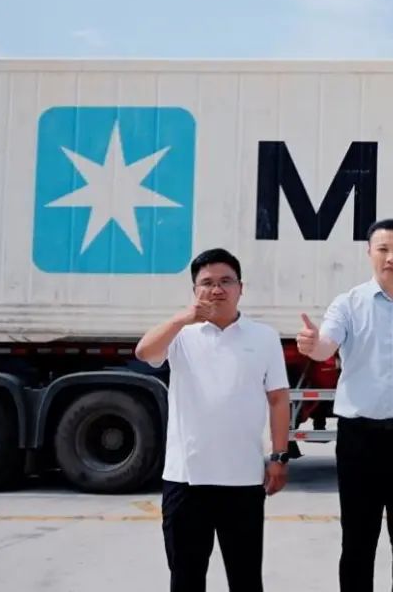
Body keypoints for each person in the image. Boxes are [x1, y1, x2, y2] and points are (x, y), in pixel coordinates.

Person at [296, 218, 393, 592]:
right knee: (357, 541)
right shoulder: (348, 304)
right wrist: (312, 345)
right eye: (383, 249)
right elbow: (326, 345)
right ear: (369, 253)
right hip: (359, 440)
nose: (391, 257)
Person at [135, 248, 291, 592]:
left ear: (240, 288)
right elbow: (144, 352)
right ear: (195, 291)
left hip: (243, 479)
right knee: (186, 578)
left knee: (246, 579)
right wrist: (182, 319)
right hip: (186, 479)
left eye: (226, 281)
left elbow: (279, 399)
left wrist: (279, 456)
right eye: (207, 283)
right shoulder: (180, 335)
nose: (217, 290)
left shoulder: (263, 337)